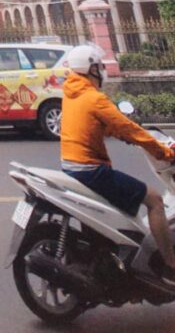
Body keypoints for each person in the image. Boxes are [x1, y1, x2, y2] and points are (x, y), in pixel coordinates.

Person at [61, 43, 175, 286]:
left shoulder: (72, 92)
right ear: (90, 69)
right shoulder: (94, 98)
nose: (102, 70)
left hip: (72, 166)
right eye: (98, 66)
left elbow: (102, 124)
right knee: (154, 201)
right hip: (91, 170)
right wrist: (163, 152)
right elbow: (129, 127)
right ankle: (170, 266)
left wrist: (121, 133)